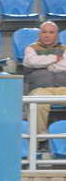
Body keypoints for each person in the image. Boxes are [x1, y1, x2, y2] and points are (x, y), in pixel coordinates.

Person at [23, 21, 66, 149]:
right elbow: (33, 62)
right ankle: (41, 139)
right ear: (39, 34)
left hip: (63, 88)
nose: (47, 35)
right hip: (40, 89)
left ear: (56, 35)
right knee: (38, 103)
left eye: (51, 32)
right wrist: (54, 59)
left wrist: (46, 64)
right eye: (44, 32)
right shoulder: (31, 49)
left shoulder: (64, 49)